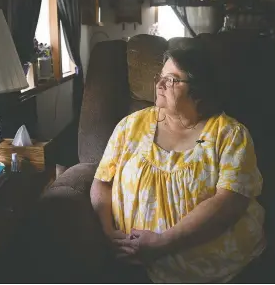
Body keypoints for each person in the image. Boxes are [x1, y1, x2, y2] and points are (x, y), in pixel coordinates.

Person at [90, 43, 266, 283]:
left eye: (172, 80)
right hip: (131, 257)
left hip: (209, 264)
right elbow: (101, 183)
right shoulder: (130, 126)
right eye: (160, 77)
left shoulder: (231, 135)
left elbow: (230, 203)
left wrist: (163, 243)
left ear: (199, 90)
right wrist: (109, 233)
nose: (159, 85)